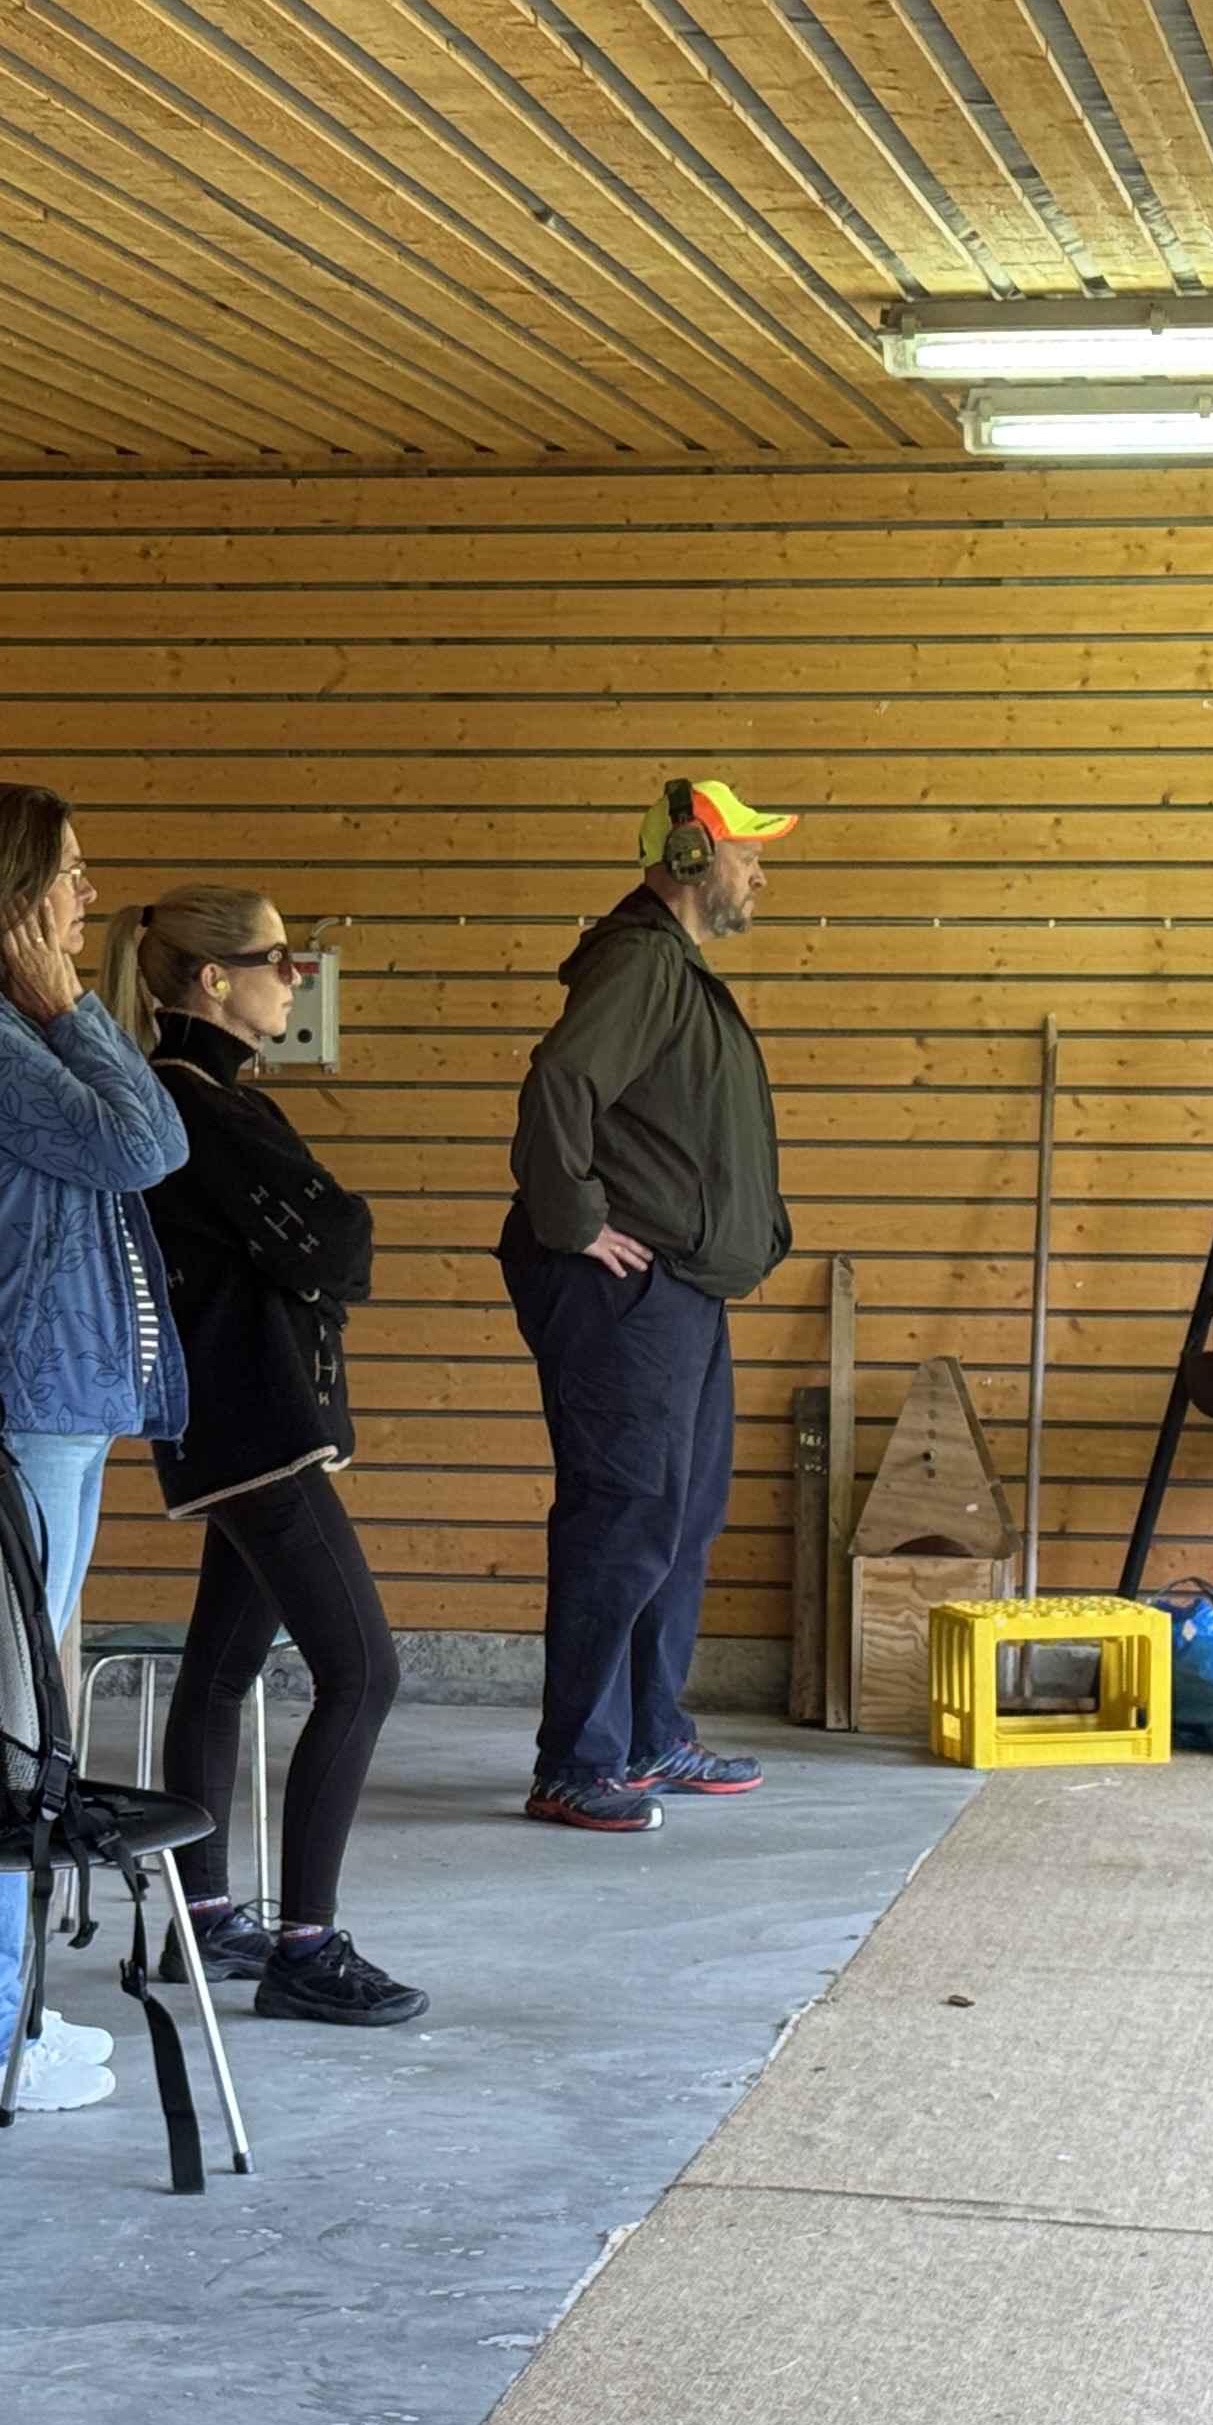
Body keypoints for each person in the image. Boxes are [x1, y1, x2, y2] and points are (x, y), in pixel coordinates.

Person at [0, 783, 186, 2107]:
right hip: (17, 1401)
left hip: (51, 1397)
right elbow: (145, 1140)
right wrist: (70, 1005)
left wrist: (59, 1002)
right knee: (2, 1723)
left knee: (29, 1708)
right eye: (65, 875)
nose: (87, 894)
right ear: (9, 896)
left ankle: (1, 2017)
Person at [110, 888, 423, 2030]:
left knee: (222, 1669)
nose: (295, 978)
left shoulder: (192, 1097)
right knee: (365, 1671)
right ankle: (305, 1946)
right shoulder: (201, 1105)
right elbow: (337, 1239)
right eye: (278, 960)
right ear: (209, 979)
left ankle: (203, 1922)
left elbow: (320, 1243)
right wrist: (320, 1247)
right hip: (260, 1426)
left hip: (230, 1425)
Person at [499, 779, 795, 1832]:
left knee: (679, 1516)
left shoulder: (670, 969)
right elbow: (559, 1085)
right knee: (624, 1516)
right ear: (687, 854)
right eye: (748, 853)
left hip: (679, 1292)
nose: (761, 872)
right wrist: (574, 1218)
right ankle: (575, 1761)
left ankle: (646, 1734)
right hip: (624, 1287)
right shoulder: (639, 964)